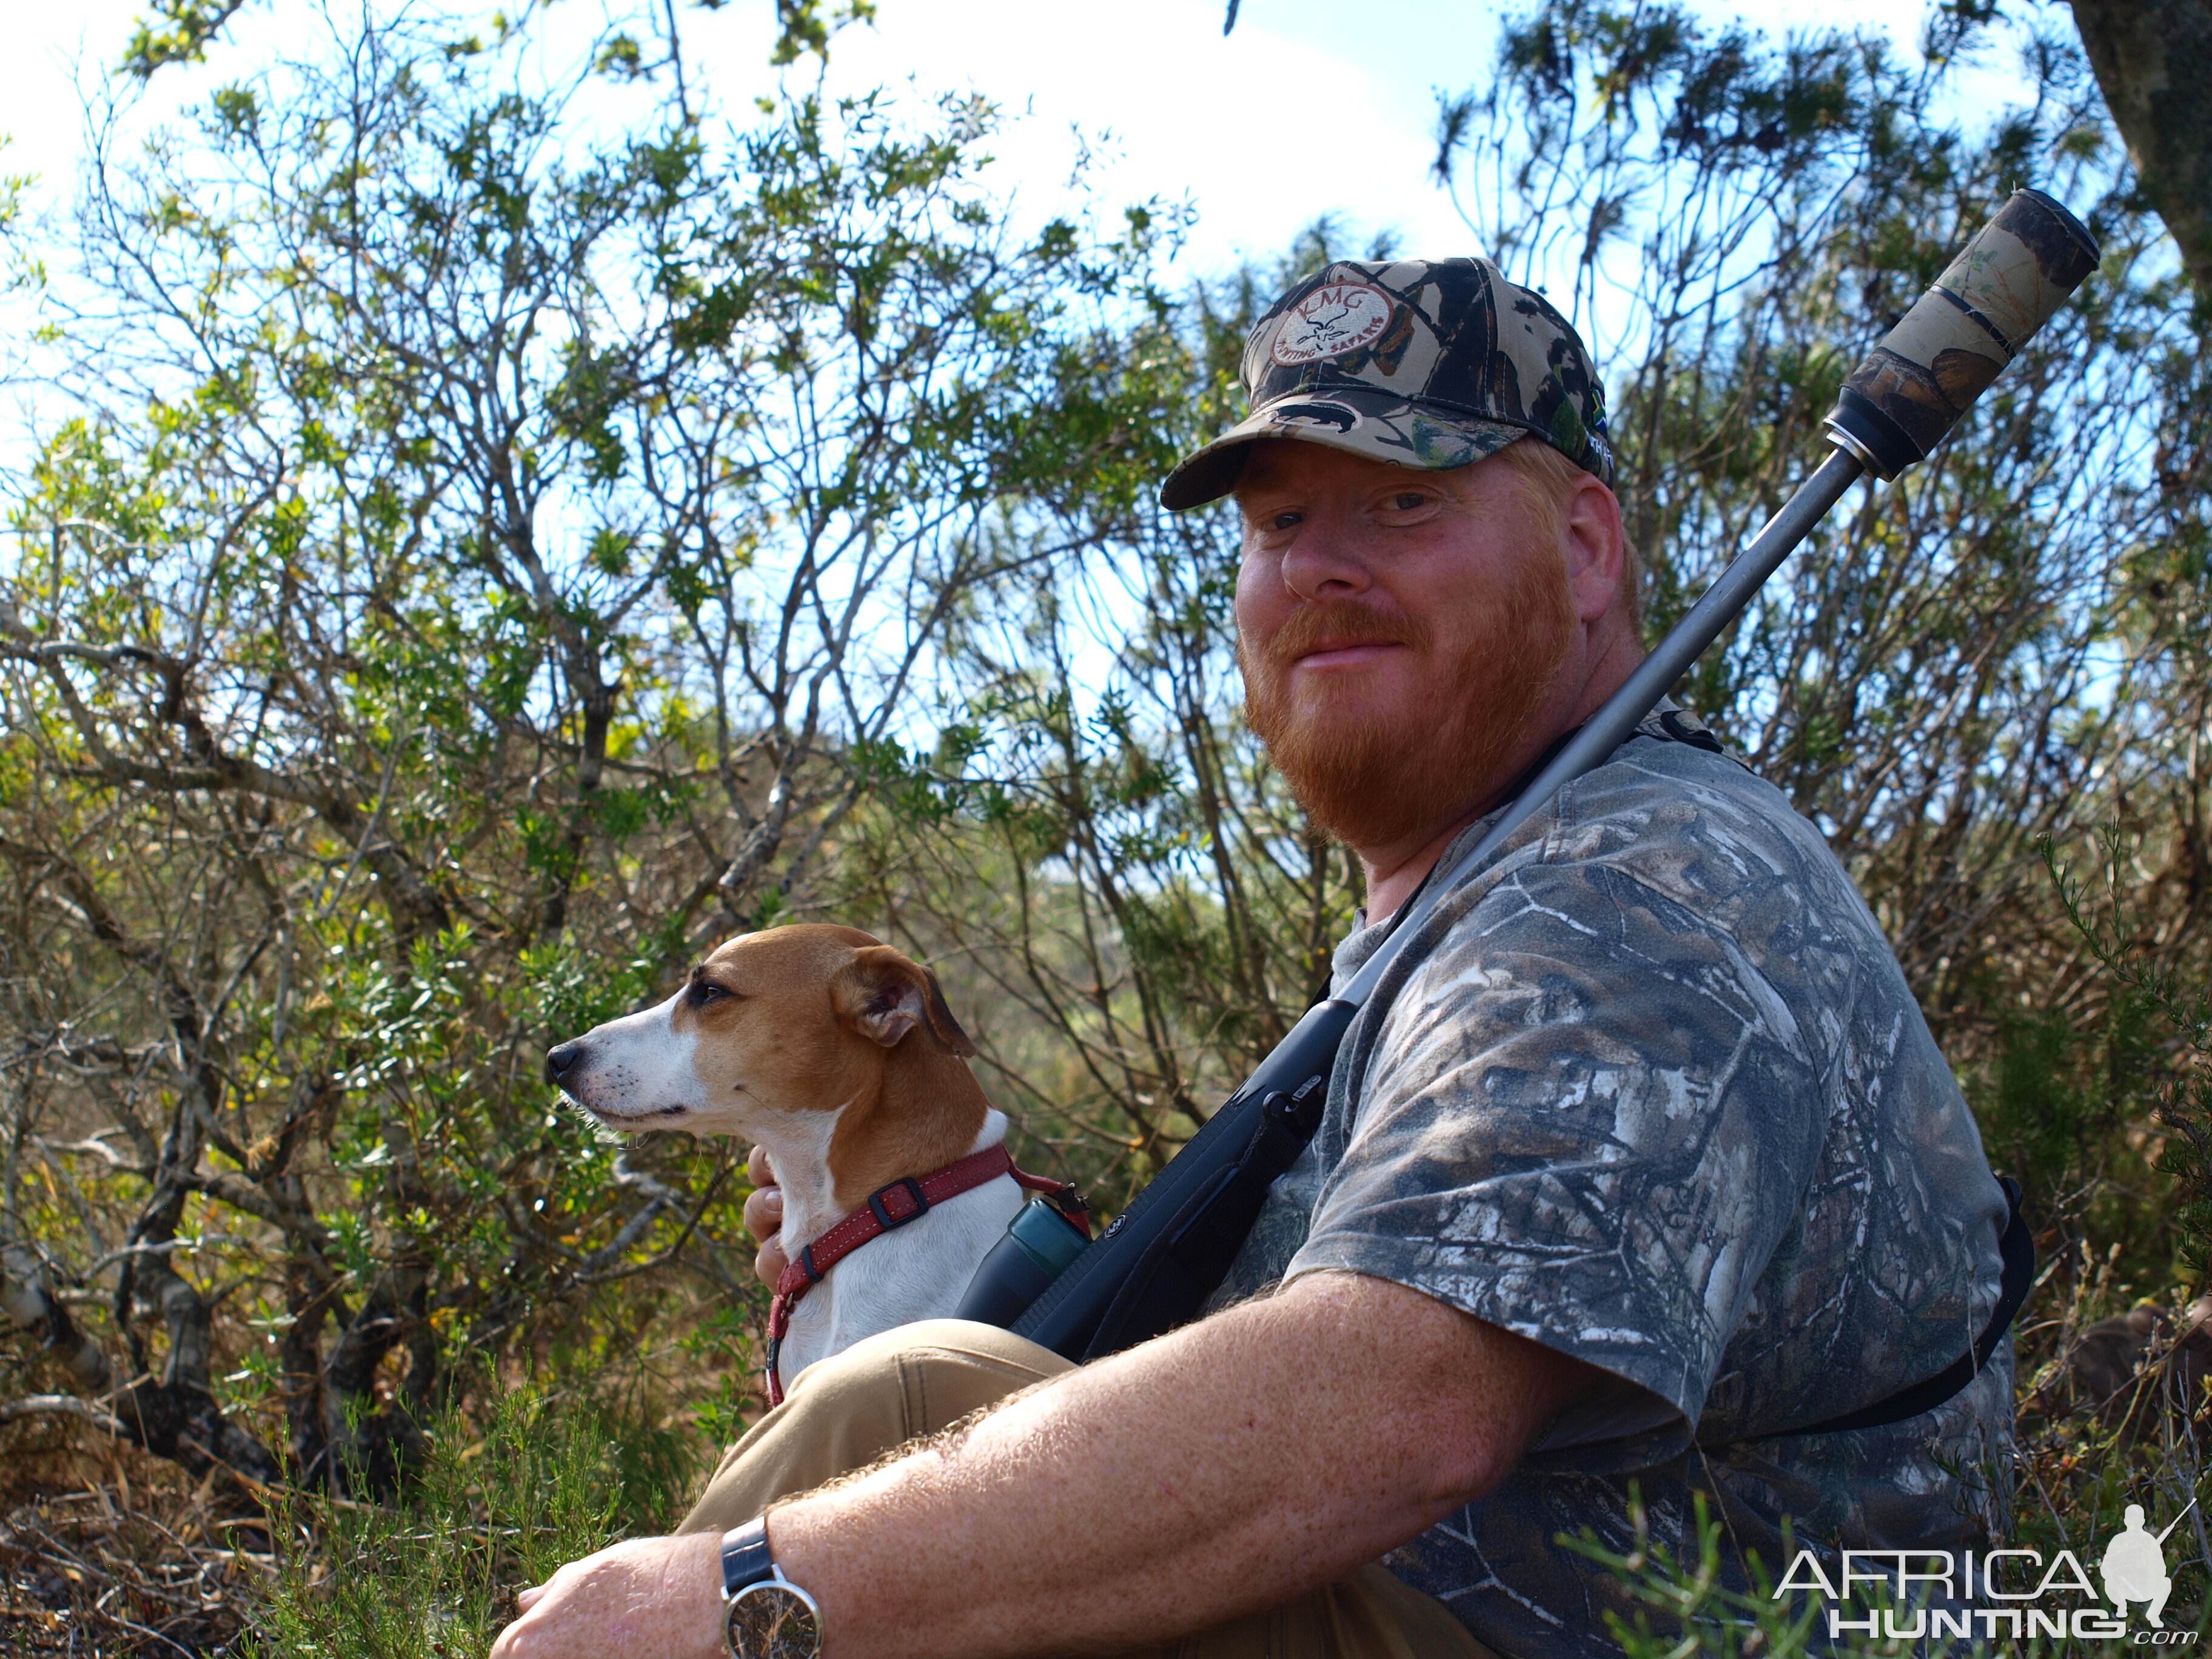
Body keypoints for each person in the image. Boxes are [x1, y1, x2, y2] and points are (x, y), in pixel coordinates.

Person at [491, 258, 2016, 1659]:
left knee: (908, 1407)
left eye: (1402, 505)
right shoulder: (1473, 901)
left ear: (1586, 545)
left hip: (1620, 1629)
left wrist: (731, 1594)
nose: (1321, 568)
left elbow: (1395, 1406)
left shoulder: (1635, 886)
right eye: (1282, 523)